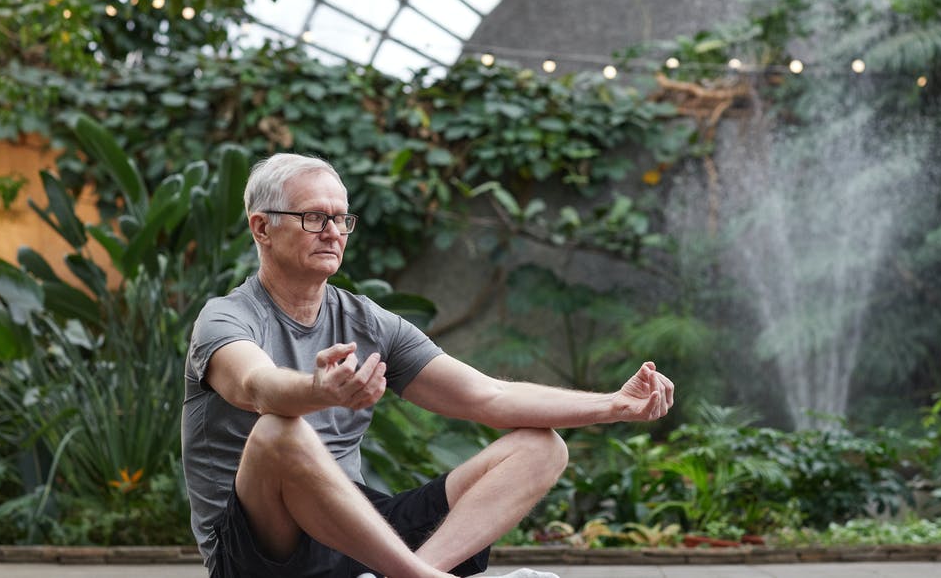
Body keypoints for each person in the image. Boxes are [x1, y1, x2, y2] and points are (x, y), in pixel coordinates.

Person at [182, 153, 675, 578]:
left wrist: (614, 404)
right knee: (277, 434)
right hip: (261, 553)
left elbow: (488, 398)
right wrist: (321, 389)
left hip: (357, 539)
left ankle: (409, 575)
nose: (333, 232)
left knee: (541, 447)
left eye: (342, 218)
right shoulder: (226, 318)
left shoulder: (367, 320)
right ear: (262, 227)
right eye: (314, 217)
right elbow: (257, 386)